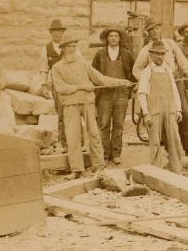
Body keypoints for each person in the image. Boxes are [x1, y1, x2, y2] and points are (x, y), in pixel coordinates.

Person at [50, 31, 132, 176]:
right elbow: (60, 88)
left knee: (94, 135)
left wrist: (121, 82)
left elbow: (101, 79)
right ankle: (77, 169)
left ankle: (99, 166)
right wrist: (81, 87)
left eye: (74, 46)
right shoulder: (57, 68)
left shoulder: (83, 64)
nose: (72, 49)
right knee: (72, 137)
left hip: (88, 103)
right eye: (69, 46)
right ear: (63, 48)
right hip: (70, 105)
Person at [133, 20, 188, 159]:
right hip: (157, 85)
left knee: (184, 113)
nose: (154, 32)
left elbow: (182, 62)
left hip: (175, 81)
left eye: (157, 28)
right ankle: (166, 148)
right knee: (162, 116)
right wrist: (149, 77)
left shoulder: (170, 44)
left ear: (160, 29)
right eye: (151, 30)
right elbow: (136, 70)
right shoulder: (145, 50)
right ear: (148, 33)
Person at [135, 41, 185, 173]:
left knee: (174, 138)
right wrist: (146, 113)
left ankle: (176, 168)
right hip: (154, 110)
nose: (160, 57)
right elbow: (141, 94)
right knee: (155, 141)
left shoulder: (168, 70)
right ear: (151, 55)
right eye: (157, 54)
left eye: (162, 54)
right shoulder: (147, 72)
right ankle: (156, 170)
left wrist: (178, 109)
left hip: (170, 109)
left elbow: (174, 90)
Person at [91, 27, 136, 165]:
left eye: (116, 36)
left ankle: (116, 154)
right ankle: (104, 154)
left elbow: (133, 73)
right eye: (111, 36)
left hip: (121, 95)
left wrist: (131, 87)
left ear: (120, 38)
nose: (114, 38)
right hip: (104, 94)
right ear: (107, 38)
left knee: (118, 125)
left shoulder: (127, 54)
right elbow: (93, 75)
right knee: (104, 125)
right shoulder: (100, 54)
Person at [40, 18, 68, 151]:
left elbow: (80, 64)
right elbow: (43, 69)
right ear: (51, 33)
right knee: (61, 114)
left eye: (59, 31)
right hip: (57, 87)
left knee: (74, 113)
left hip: (71, 85)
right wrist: (44, 85)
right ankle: (63, 143)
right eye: (54, 31)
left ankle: (77, 142)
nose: (57, 34)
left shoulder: (69, 46)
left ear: (63, 33)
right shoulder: (46, 49)